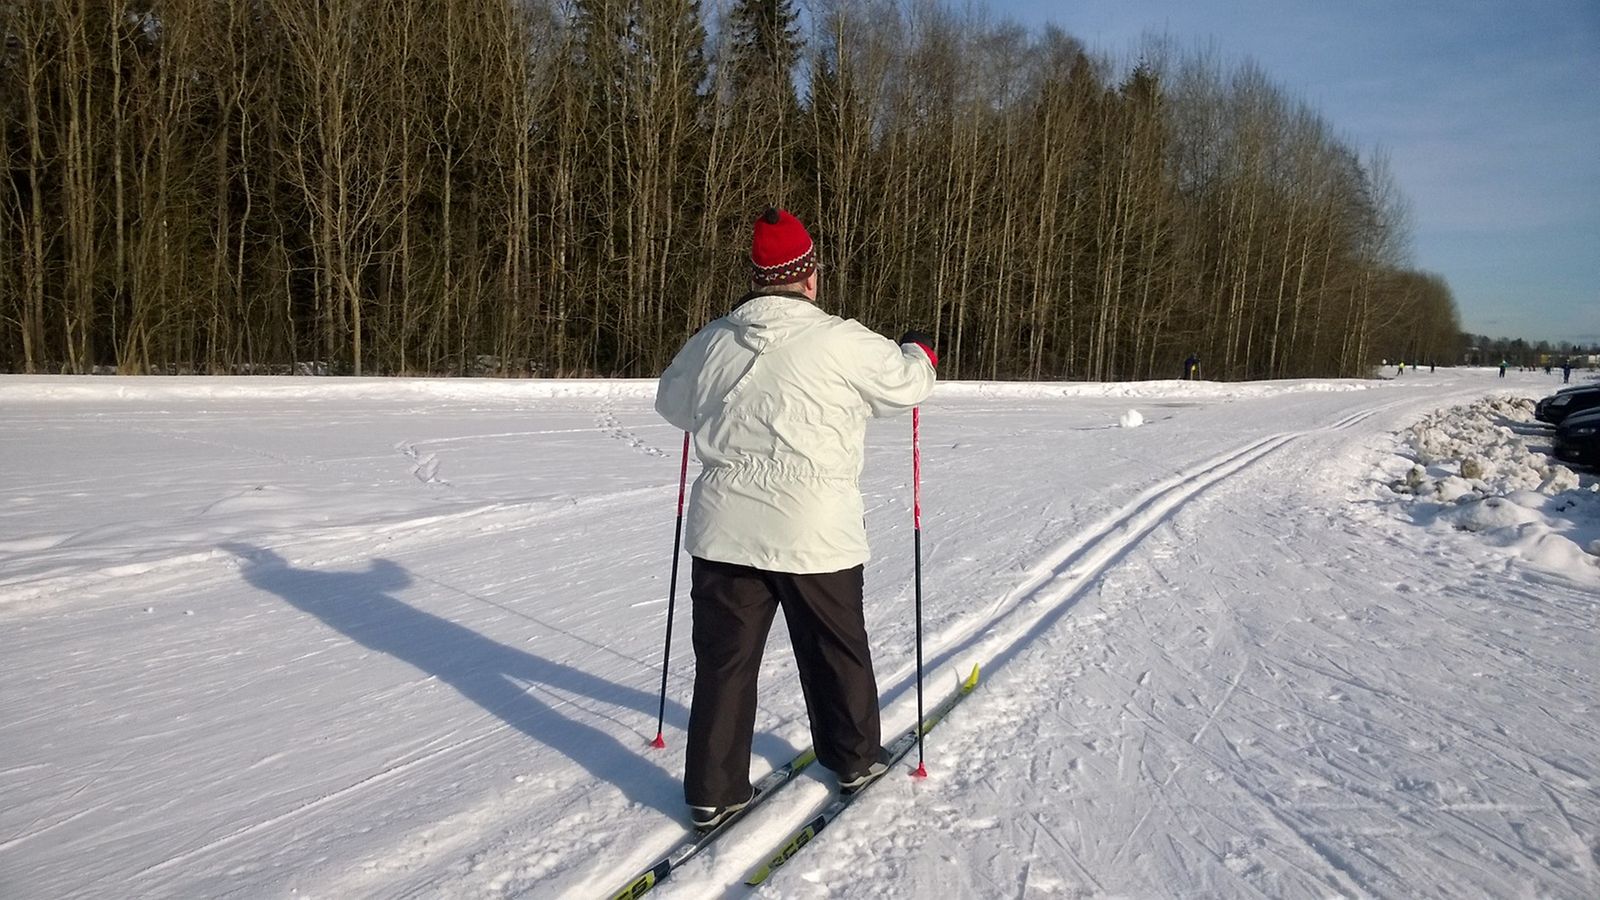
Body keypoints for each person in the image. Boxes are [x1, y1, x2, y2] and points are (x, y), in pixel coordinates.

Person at [654, 207, 937, 831]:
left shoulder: (712, 340)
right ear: (808, 276)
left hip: (724, 530)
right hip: (815, 532)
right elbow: (909, 385)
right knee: (835, 649)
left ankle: (712, 789)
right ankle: (854, 758)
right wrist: (919, 350)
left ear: (757, 277)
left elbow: (672, 403)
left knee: (725, 662)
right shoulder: (842, 339)